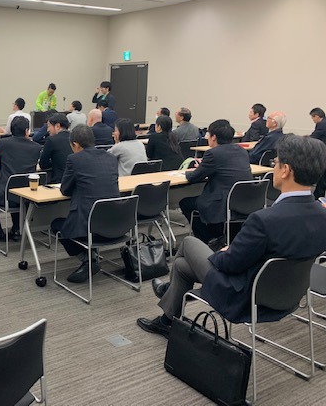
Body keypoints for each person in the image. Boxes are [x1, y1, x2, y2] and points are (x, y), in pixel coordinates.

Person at [138, 134, 326, 337]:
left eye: (276, 163)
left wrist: (223, 251)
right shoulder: (321, 215)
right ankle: (166, 320)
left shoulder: (264, 220)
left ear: (286, 170)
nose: (273, 168)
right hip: (287, 294)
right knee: (182, 267)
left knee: (189, 244)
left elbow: (229, 264)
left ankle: (167, 294)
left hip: (241, 296)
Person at [50, 125, 120, 283]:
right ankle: (91, 258)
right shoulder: (110, 157)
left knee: (57, 225)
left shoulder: (74, 159)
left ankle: (88, 260)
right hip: (116, 223)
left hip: (89, 225)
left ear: (75, 144)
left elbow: (65, 190)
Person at [179, 119, 252, 244]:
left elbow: (194, 177)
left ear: (213, 137)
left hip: (222, 202)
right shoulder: (241, 151)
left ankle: (209, 239)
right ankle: (219, 235)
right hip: (243, 200)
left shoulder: (213, 153)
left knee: (186, 203)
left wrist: (187, 172)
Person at [0, 116, 42, 241]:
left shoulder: (3, 143)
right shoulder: (36, 147)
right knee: (16, 194)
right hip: (27, 194)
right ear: (27, 131)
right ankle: (16, 228)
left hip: (5, 193)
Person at [39, 113, 72, 183]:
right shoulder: (75, 138)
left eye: (49, 126)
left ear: (57, 126)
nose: (47, 130)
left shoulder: (51, 140)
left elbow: (43, 164)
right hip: (73, 180)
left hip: (58, 181)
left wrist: (53, 163)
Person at [309, 108, 326, 199]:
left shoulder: (321, 125)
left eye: (313, 118)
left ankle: (318, 196)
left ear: (317, 116)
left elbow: (314, 137)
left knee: (322, 177)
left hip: (323, 153)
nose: (313, 120)